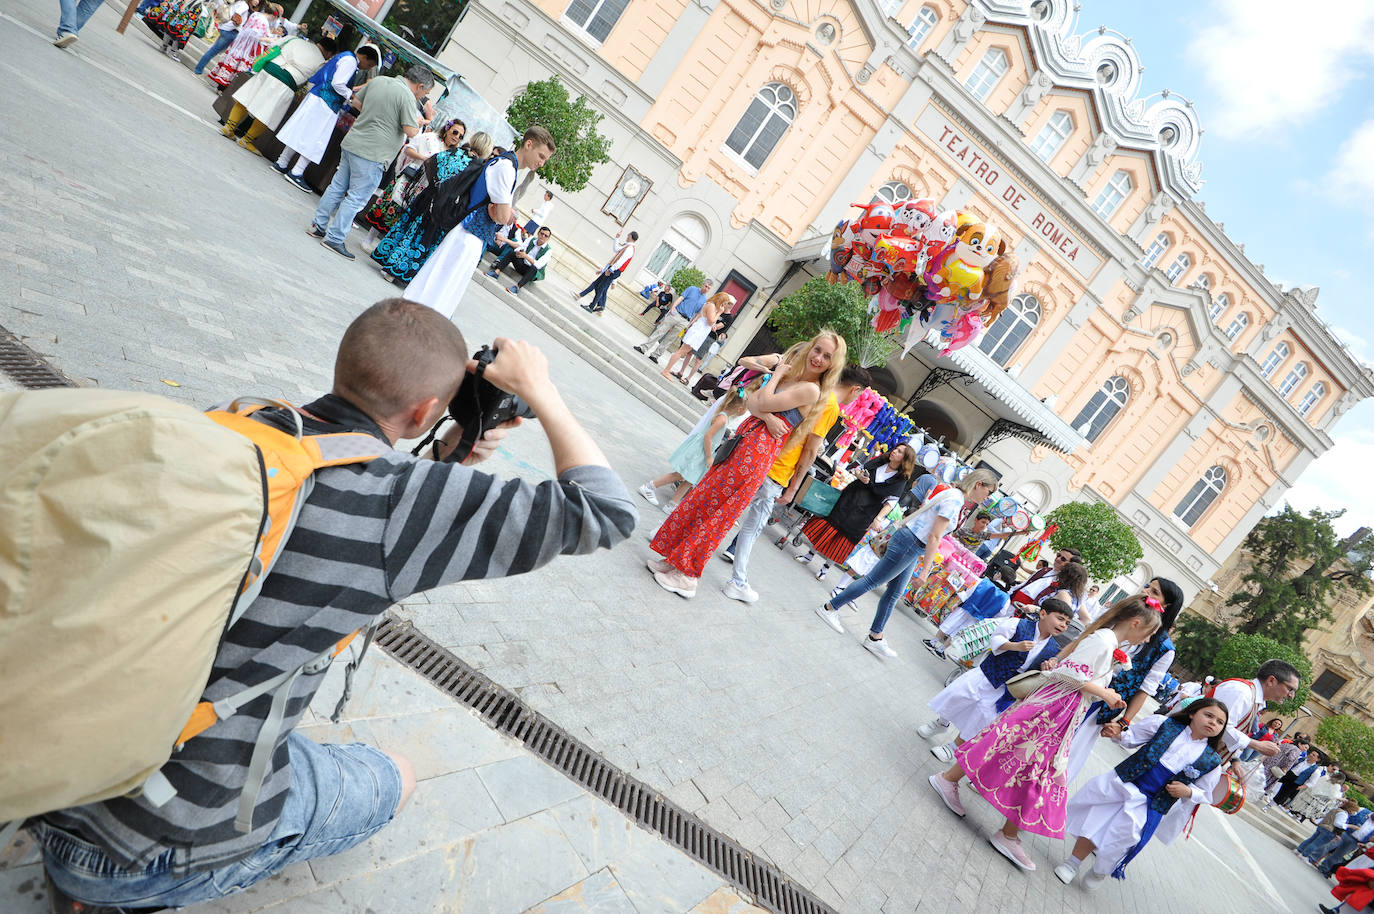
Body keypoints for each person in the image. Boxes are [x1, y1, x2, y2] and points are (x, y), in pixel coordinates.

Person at [31, 299, 637, 911]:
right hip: (157, 842)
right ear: (425, 409)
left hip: (56, 766)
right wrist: (541, 390)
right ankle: (130, 895)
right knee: (395, 776)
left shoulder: (237, 425)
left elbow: (329, 493)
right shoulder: (403, 504)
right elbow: (605, 512)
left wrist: (448, 451)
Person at [927, 596, 1161, 872]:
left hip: (1060, 710)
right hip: (1054, 708)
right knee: (1027, 760)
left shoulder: (1107, 641)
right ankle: (995, 822)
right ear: (1135, 623)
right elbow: (1069, 674)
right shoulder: (1103, 641)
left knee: (1022, 758)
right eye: (1148, 633)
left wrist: (1103, 692)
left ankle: (996, 821)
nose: (1146, 640)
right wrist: (1104, 692)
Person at [647, 333, 845, 598]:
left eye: (827, 356)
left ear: (833, 364)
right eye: (817, 349)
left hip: (757, 452)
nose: (818, 357)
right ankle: (674, 559)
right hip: (745, 443)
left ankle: (688, 576)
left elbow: (763, 400)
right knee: (705, 499)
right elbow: (752, 403)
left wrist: (775, 377)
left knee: (719, 511)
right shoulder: (796, 379)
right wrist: (765, 413)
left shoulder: (810, 389)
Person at [720, 362, 872, 603]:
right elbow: (810, 450)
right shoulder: (829, 404)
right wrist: (793, 487)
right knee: (749, 523)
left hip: (765, 455)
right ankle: (737, 581)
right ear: (856, 389)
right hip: (777, 468)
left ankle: (733, 575)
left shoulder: (814, 389)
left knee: (732, 509)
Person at [814, 470, 999, 660]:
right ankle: (830, 608)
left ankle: (875, 636)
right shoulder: (955, 499)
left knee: (893, 592)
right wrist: (925, 570)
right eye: (989, 491)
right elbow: (934, 536)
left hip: (911, 542)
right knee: (872, 581)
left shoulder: (953, 494)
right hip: (911, 543)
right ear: (979, 484)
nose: (987, 497)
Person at [1057, 699, 1229, 888]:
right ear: (1192, 713)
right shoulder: (1165, 724)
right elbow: (1132, 737)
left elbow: (1205, 793)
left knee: (1124, 837)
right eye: (1209, 715)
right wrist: (1118, 734)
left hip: (1152, 802)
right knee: (1096, 820)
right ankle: (1072, 863)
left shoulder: (1212, 761)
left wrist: (1187, 791)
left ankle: (1100, 872)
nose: (1213, 722)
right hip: (1126, 781)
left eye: (1220, 722)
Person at [405, 126, 557, 319]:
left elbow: (501, 213)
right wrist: (503, 211)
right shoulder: (507, 168)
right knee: (439, 289)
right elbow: (502, 217)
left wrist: (503, 211)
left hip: (471, 234)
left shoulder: (507, 164)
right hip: (468, 236)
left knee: (440, 288)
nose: (541, 163)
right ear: (529, 144)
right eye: (541, 156)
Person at [919, 599, 1073, 763]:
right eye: (1060, 619)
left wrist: (1045, 669)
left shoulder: (1053, 649)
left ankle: (954, 748)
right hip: (988, 673)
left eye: (1067, 623)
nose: (1063, 625)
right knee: (958, 695)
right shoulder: (1018, 624)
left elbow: (1038, 674)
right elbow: (996, 639)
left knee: (983, 718)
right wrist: (1015, 646)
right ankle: (941, 723)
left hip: (1007, 690)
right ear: (1043, 614)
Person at [1063, 577, 1185, 783]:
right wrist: (1059, 659)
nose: (1146, 591)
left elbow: (1145, 689)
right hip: (1073, 684)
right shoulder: (1121, 613)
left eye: (1154, 592)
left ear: (1167, 606)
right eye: (1147, 586)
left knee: (1068, 753)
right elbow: (1084, 639)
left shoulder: (1163, 647)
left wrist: (1124, 722)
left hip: (1101, 705)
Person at [308, 66, 435, 259]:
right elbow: (410, 131)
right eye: (426, 92)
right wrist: (425, 121)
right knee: (356, 198)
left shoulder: (379, 80)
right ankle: (334, 238)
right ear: (420, 86)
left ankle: (318, 226)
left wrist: (376, 116)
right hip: (374, 153)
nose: (424, 96)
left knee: (337, 187)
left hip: (354, 142)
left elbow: (357, 102)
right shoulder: (407, 97)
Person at [371, 132, 493, 284]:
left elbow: (431, 162)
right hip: (442, 207)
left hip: (427, 196)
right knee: (421, 237)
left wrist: (435, 184)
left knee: (410, 227)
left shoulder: (456, 151)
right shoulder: (478, 167)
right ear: (486, 149)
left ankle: (388, 260)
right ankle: (395, 270)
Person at [793, 444, 915, 582]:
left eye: (899, 452)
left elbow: (890, 502)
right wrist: (860, 476)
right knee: (829, 525)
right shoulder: (880, 460)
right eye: (896, 448)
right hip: (850, 497)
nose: (894, 451)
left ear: (905, 459)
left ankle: (825, 568)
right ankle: (809, 555)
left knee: (844, 539)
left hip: (867, 511)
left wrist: (878, 519)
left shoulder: (900, 479)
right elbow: (858, 470)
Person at [274, 45, 382, 192]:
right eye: (369, 65)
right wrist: (351, 96)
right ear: (364, 57)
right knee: (316, 139)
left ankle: (282, 162)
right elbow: (337, 83)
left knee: (302, 131)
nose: (366, 68)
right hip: (326, 103)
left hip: (318, 98)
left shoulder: (345, 55)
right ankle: (297, 172)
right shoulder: (351, 61)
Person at [361, 119, 465, 251]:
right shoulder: (429, 138)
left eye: (460, 136)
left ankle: (384, 249)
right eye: (455, 132)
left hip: (425, 189)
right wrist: (425, 159)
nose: (456, 137)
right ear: (447, 129)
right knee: (390, 208)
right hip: (410, 178)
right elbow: (408, 150)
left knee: (404, 218)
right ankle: (368, 239)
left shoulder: (453, 155)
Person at [219, 34, 332, 154]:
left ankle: (229, 127)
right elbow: (311, 84)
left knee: (248, 98)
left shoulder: (295, 39)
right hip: (287, 82)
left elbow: (273, 46)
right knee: (268, 113)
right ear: (329, 53)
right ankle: (246, 140)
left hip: (270, 69)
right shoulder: (321, 62)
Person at [638, 389, 750, 511]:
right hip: (701, 451)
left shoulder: (723, 417)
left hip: (703, 451)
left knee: (690, 479)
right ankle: (649, 487)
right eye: (746, 409)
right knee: (680, 474)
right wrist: (708, 456)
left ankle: (672, 504)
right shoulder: (722, 419)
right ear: (739, 409)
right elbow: (708, 436)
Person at [661, 294, 733, 382]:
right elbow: (710, 322)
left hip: (699, 332)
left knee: (683, 351)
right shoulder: (711, 306)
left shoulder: (712, 306)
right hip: (697, 332)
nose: (724, 306)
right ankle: (666, 370)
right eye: (724, 303)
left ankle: (667, 370)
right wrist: (719, 313)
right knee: (681, 351)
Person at [637, 280, 713, 361]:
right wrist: (673, 308)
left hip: (685, 321)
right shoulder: (692, 289)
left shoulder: (704, 300)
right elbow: (681, 298)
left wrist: (690, 323)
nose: (706, 289)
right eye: (706, 286)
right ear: (702, 284)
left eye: (708, 288)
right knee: (660, 331)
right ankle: (643, 348)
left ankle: (655, 355)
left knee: (670, 339)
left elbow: (698, 314)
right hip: (676, 313)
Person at [205, 1, 274, 89]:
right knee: (216, 51)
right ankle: (223, 86)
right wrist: (269, 39)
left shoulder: (255, 14)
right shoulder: (261, 19)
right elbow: (256, 35)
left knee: (225, 57)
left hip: (241, 41)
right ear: (274, 16)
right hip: (246, 44)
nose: (257, 2)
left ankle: (221, 85)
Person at [574, 231, 638, 315]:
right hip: (612, 268)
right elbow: (616, 249)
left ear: (631, 236)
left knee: (600, 287)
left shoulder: (630, 248)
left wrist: (611, 270)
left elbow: (621, 261)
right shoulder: (627, 246)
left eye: (628, 234)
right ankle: (599, 306)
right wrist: (617, 238)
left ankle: (592, 306)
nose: (627, 235)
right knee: (599, 286)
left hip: (614, 270)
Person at [485, 226, 554, 294]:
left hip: (530, 272)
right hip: (522, 264)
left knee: (534, 268)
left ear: (548, 238)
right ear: (538, 233)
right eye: (542, 234)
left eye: (546, 236)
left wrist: (525, 256)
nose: (543, 236)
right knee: (512, 253)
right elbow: (521, 247)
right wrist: (519, 252)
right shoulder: (532, 239)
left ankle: (517, 288)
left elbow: (538, 265)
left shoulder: (548, 251)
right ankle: (496, 272)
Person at [187, 0, 248, 71]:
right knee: (214, 51)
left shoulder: (237, 2)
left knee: (215, 50)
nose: (257, 1)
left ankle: (199, 69)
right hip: (231, 31)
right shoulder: (244, 5)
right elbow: (236, 15)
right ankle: (198, 69)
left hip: (225, 28)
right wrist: (239, 24)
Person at [1317, 807, 1374, 876]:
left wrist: (1364, 844)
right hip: (1346, 833)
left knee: (1338, 856)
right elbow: (1348, 816)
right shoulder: (1363, 811)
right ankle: (1313, 858)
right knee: (1328, 846)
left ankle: (1324, 868)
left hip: (1355, 842)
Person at [1301, 800, 1362, 864]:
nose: (1354, 813)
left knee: (1311, 840)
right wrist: (1350, 826)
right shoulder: (1343, 814)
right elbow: (1338, 824)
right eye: (1354, 811)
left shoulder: (1337, 810)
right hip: (1329, 830)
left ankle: (1300, 850)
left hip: (1323, 826)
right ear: (1350, 809)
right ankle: (1304, 855)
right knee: (1316, 844)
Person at [1263, 736, 1310, 804]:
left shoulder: (1288, 744)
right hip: (1278, 766)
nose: (1305, 750)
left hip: (1270, 761)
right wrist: (1285, 768)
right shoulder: (1297, 750)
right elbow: (1290, 759)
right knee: (1268, 780)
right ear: (1299, 744)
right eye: (1305, 747)